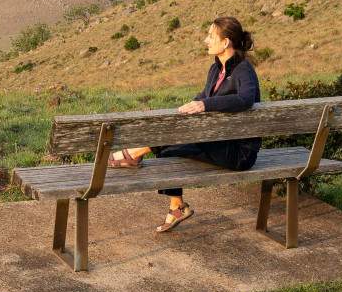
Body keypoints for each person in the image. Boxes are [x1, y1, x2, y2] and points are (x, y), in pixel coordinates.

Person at [106, 16, 261, 233]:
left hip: (238, 153)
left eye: (210, 36)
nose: (206, 40)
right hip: (217, 141)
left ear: (225, 43)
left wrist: (204, 105)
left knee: (171, 142)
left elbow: (245, 99)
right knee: (168, 152)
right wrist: (192, 104)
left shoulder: (243, 69)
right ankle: (177, 207)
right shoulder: (215, 70)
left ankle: (135, 153)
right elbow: (206, 95)